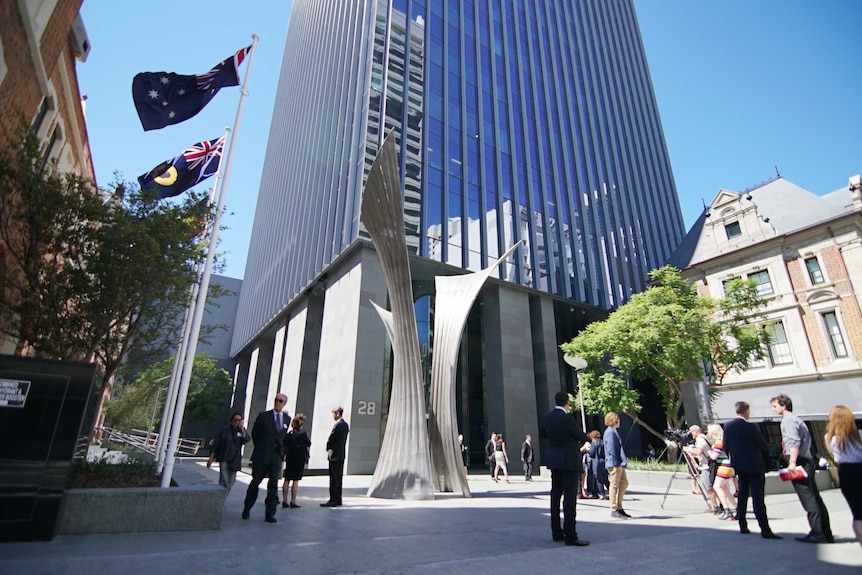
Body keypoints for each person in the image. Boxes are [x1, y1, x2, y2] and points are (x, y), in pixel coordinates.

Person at [771, 393, 834, 544]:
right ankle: (824, 532)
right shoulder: (795, 419)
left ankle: (818, 533)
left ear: (783, 405)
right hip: (806, 460)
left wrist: (792, 462)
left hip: (800, 461)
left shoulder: (788, 420)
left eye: (775, 406)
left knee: (808, 498)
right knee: (814, 497)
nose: (773, 409)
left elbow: (793, 441)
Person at [723, 400, 781, 539]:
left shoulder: (728, 426)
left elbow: (725, 446)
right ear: (746, 411)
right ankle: (764, 529)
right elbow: (762, 444)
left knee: (742, 495)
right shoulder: (750, 427)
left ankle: (742, 524)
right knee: (757, 498)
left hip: (739, 466)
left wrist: (735, 458)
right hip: (755, 466)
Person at [539, 390, 590, 546]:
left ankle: (556, 532)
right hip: (568, 461)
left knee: (555, 496)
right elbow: (580, 436)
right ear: (567, 402)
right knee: (569, 499)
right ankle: (570, 535)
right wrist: (585, 439)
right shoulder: (567, 419)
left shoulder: (547, 417)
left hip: (554, 461)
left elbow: (542, 434)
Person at [242, 393, 290, 523]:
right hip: (262, 455)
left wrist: (281, 451)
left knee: (273, 484)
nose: (277, 403)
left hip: (275, 456)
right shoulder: (264, 416)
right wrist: (262, 447)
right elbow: (255, 433)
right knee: (256, 481)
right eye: (276, 400)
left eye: (280, 401)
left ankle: (270, 513)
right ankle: (247, 508)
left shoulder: (286, 418)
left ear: (284, 403)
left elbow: (283, 436)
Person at [824, 405, 862, 547]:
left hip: (847, 472)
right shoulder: (856, 437)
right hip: (858, 468)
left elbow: (834, 457)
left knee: (858, 513)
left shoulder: (831, 438)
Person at [206, 411, 250, 494]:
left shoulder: (241, 431)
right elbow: (216, 444)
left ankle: (222, 497)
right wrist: (211, 457)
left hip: (235, 459)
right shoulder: (225, 430)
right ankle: (221, 501)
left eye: (239, 420)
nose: (237, 422)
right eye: (235, 420)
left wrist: (243, 431)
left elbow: (247, 440)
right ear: (232, 420)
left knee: (231, 481)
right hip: (224, 457)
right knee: (224, 480)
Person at [684, 425, 720, 513]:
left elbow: (698, 452)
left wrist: (687, 449)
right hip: (709, 464)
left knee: (708, 487)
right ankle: (721, 505)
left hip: (706, 466)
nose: (691, 434)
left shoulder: (700, 439)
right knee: (713, 487)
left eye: (692, 432)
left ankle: (715, 506)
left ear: (696, 431)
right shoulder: (704, 438)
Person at [706, 423, 737, 520]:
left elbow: (714, 456)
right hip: (729, 466)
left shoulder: (718, 443)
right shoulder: (724, 441)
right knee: (725, 489)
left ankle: (727, 509)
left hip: (724, 466)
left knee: (717, 487)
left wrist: (709, 452)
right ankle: (737, 508)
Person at [321, 406, 349, 507]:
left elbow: (332, 438)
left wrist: (327, 446)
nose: (332, 415)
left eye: (333, 413)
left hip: (334, 454)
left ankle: (333, 499)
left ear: (337, 413)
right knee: (339, 477)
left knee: (333, 478)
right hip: (341, 454)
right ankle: (338, 499)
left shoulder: (338, 425)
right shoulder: (345, 425)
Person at [282, 412, 311, 509]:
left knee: (287, 479)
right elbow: (308, 443)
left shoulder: (289, 434)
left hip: (290, 457)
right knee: (295, 480)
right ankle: (293, 500)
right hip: (299, 458)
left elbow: (284, 443)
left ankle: (284, 500)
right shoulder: (303, 434)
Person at [604, 412, 630, 519]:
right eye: (617, 419)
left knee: (624, 482)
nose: (619, 421)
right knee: (614, 484)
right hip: (614, 462)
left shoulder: (613, 431)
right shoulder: (610, 432)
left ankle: (619, 506)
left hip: (617, 462)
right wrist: (617, 462)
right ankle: (614, 508)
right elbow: (612, 448)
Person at [587, 430, 608, 499]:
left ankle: (602, 494)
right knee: (605, 479)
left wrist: (588, 450)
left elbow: (592, 453)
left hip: (597, 462)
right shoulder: (603, 443)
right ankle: (612, 492)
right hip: (604, 462)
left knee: (599, 479)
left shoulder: (594, 444)